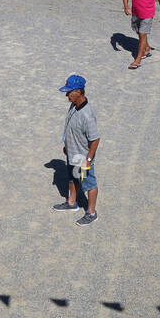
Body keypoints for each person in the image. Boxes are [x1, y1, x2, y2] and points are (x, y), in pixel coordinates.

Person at [56, 74, 100, 226]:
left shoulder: (87, 115)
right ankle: (72, 203)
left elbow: (95, 139)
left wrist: (87, 160)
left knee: (89, 184)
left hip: (82, 158)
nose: (67, 95)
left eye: (69, 92)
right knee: (72, 179)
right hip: (72, 153)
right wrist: (67, 146)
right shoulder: (74, 105)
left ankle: (91, 213)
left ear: (79, 91)